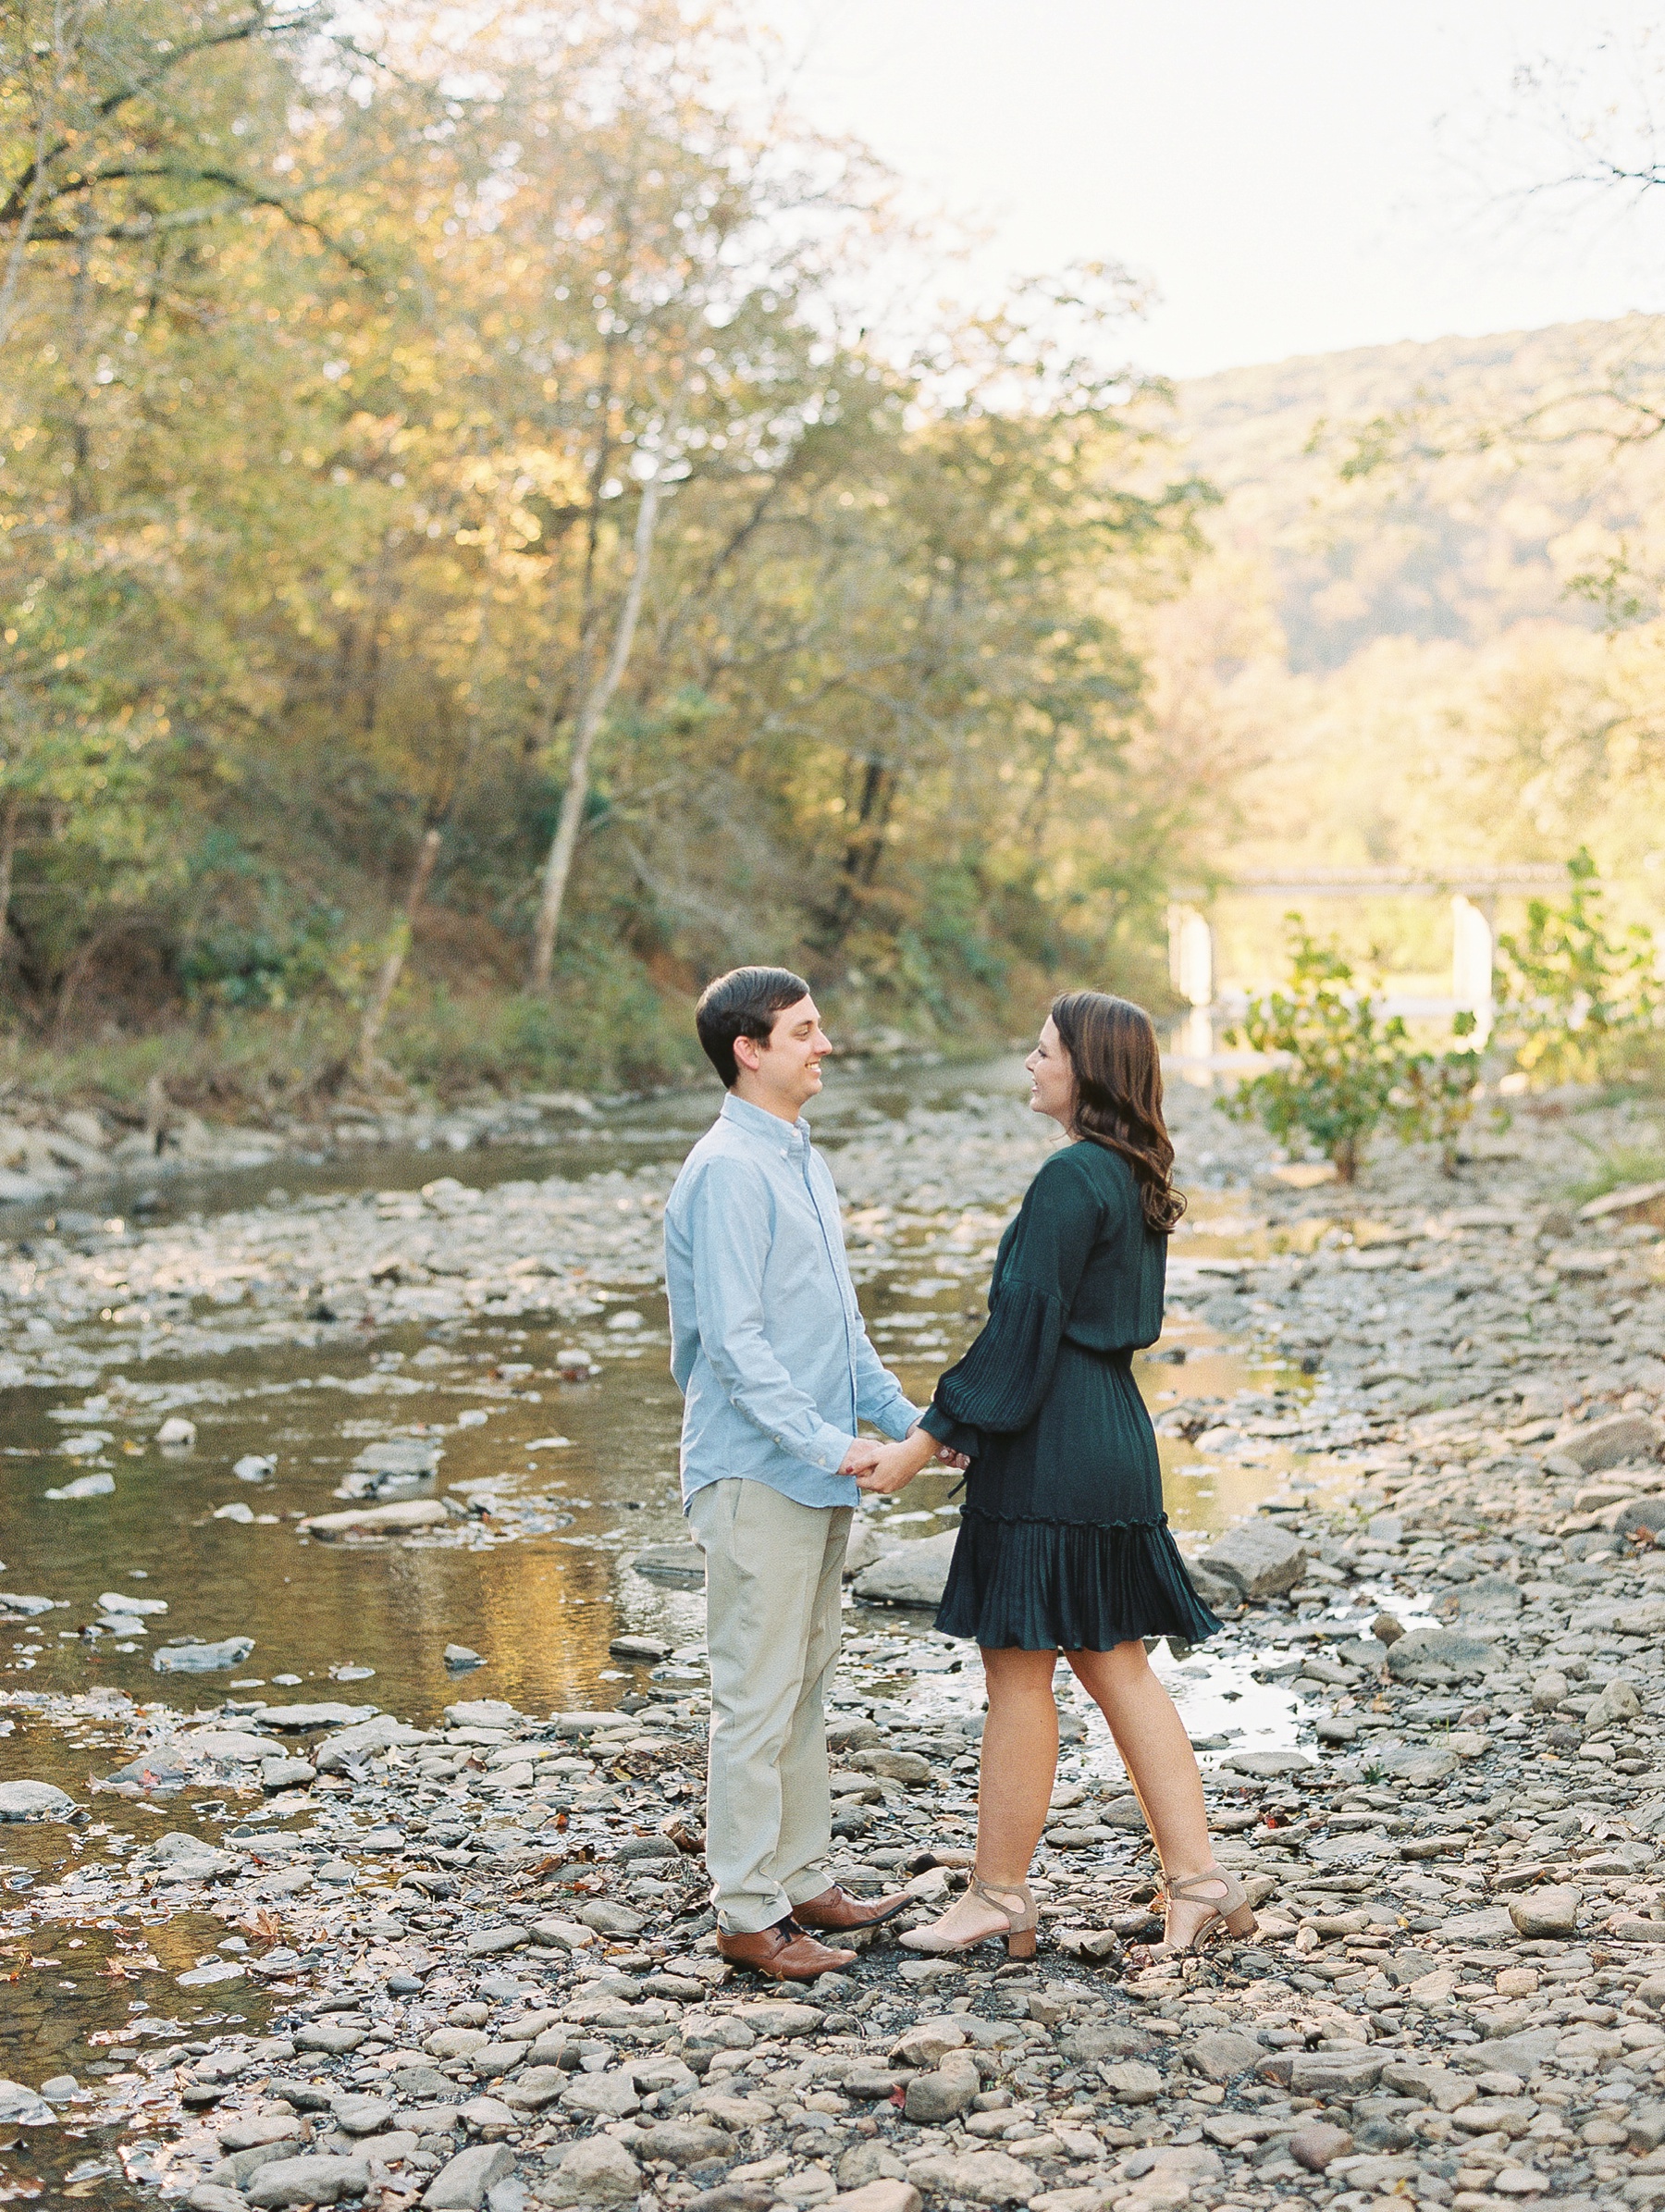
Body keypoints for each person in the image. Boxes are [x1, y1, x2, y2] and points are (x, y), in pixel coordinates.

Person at [857, 991, 1253, 1962]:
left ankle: (999, 1895)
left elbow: (1022, 1328)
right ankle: (1199, 1881)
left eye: (1044, 1051)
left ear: (1090, 1070)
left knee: (1019, 1669)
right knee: (1116, 1661)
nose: (1029, 1064)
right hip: (1111, 1430)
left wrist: (919, 1445)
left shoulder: (1071, 1177)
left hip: (1056, 1441)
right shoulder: (1129, 1172)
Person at [664, 966, 963, 1982]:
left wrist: (909, 1423)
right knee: (753, 1698)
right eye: (804, 1031)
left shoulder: (799, 1159)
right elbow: (738, 1349)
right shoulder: (728, 1172)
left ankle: (801, 1880)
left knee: (803, 1690)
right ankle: (746, 1913)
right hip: (757, 1476)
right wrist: (830, 1444)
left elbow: (839, 1334)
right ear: (749, 1049)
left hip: (815, 1471)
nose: (822, 1045)